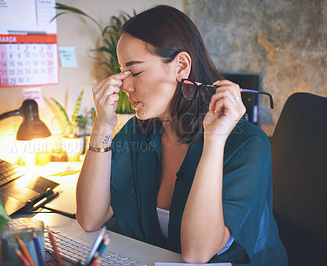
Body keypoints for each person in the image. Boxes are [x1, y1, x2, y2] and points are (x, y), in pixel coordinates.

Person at [76, 5, 287, 265]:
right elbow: (89, 218)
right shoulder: (138, 132)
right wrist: (102, 127)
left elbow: (197, 253)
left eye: (136, 72)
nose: (124, 86)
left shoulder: (248, 143)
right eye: (122, 73)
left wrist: (215, 141)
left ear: (181, 66)